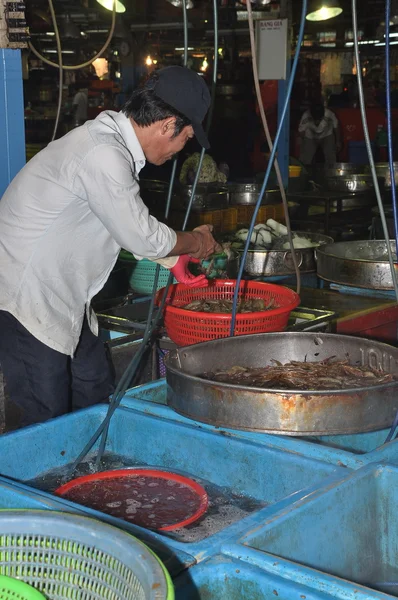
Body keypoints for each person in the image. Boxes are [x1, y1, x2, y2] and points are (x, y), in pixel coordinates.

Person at [0, 66, 221, 427]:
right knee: (45, 414)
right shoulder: (102, 153)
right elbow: (140, 234)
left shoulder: (109, 146)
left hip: (65, 296)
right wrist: (195, 243)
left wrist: (172, 260)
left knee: (94, 385)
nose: (184, 148)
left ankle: (90, 474)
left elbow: (120, 223)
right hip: (26, 299)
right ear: (167, 125)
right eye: (187, 137)